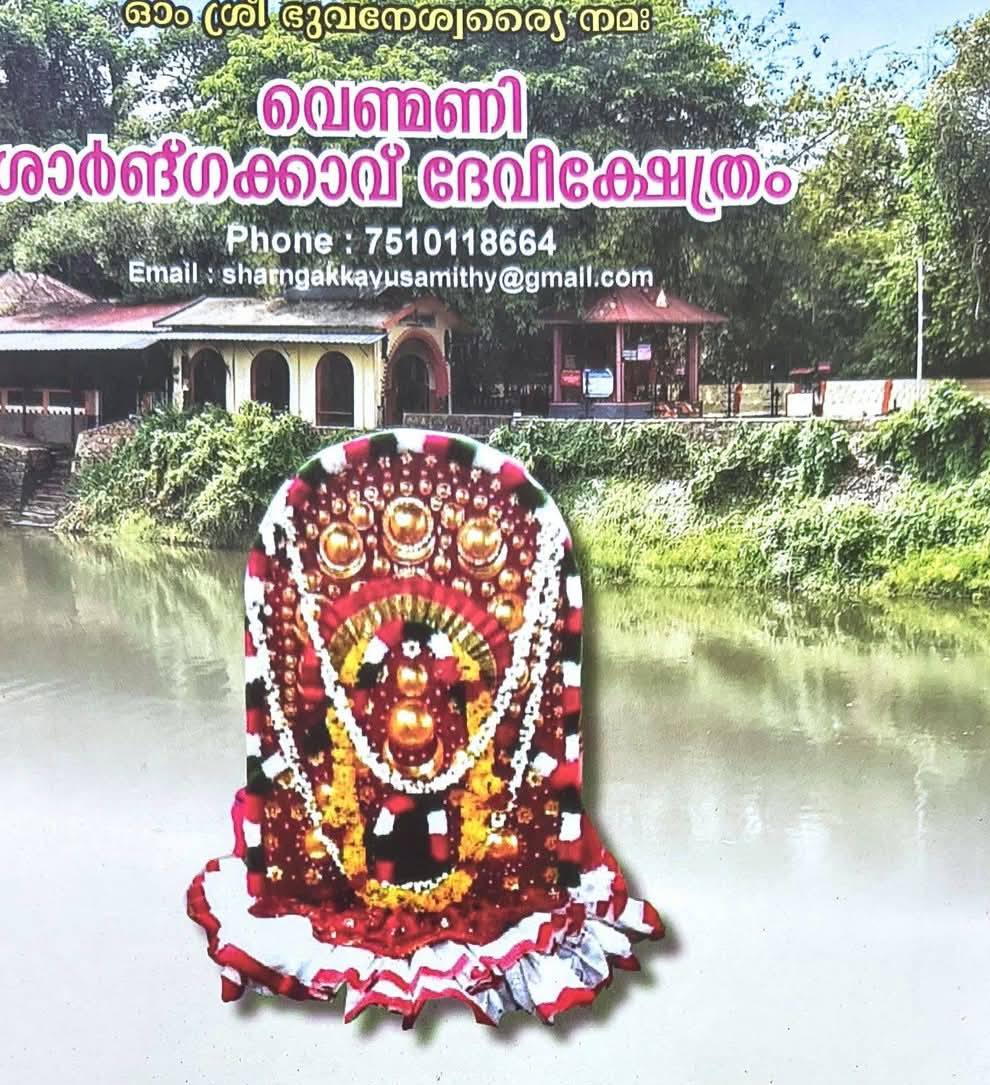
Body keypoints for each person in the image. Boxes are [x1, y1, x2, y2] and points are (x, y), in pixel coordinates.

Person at [187, 427, 661, 1024]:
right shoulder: (355, 699)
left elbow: (494, 719)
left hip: (461, 789)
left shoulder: (464, 699)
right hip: (359, 793)